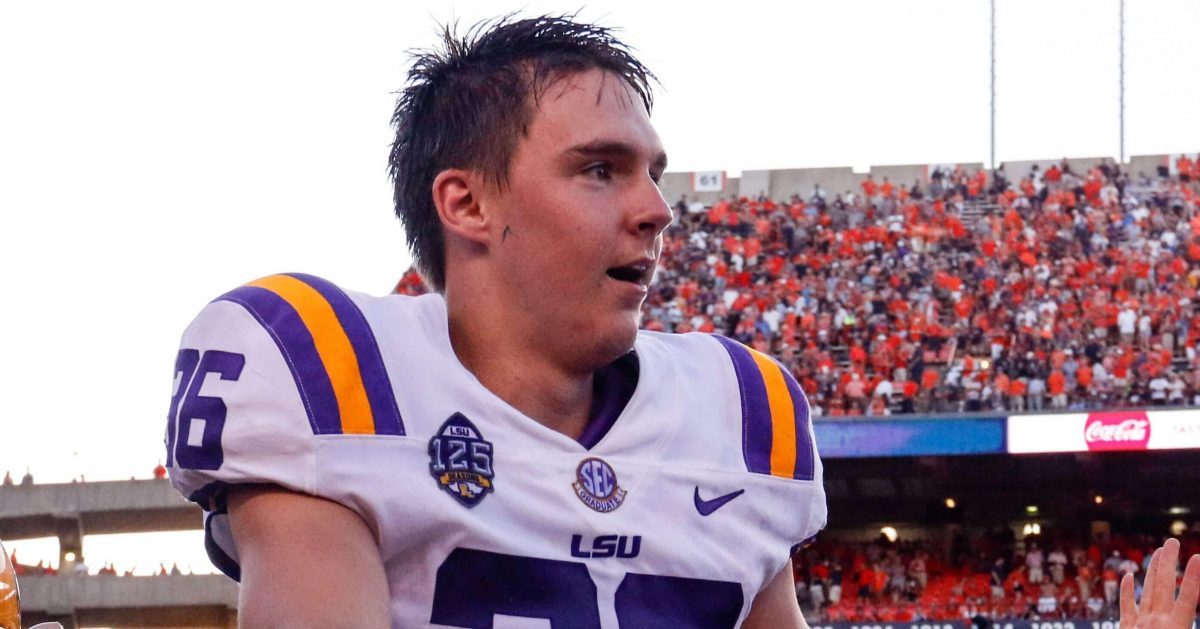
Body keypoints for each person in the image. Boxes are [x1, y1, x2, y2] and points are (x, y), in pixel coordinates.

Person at [165, 15, 825, 628]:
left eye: (653, 174)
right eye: (601, 170)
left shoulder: (739, 409)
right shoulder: (330, 374)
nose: (658, 209)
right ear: (468, 202)